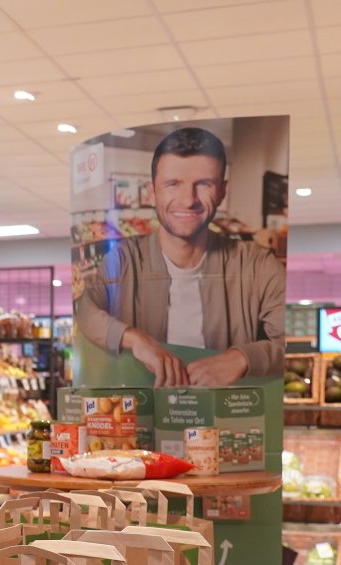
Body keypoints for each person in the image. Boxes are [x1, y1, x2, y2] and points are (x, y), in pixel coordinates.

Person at [73, 126, 284, 386]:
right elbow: (84, 310)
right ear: (152, 192)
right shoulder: (124, 259)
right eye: (173, 184)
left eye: (204, 184)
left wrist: (243, 357)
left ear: (221, 191)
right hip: (143, 418)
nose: (188, 200)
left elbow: (291, 342)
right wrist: (135, 339)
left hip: (231, 418)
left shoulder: (258, 265)